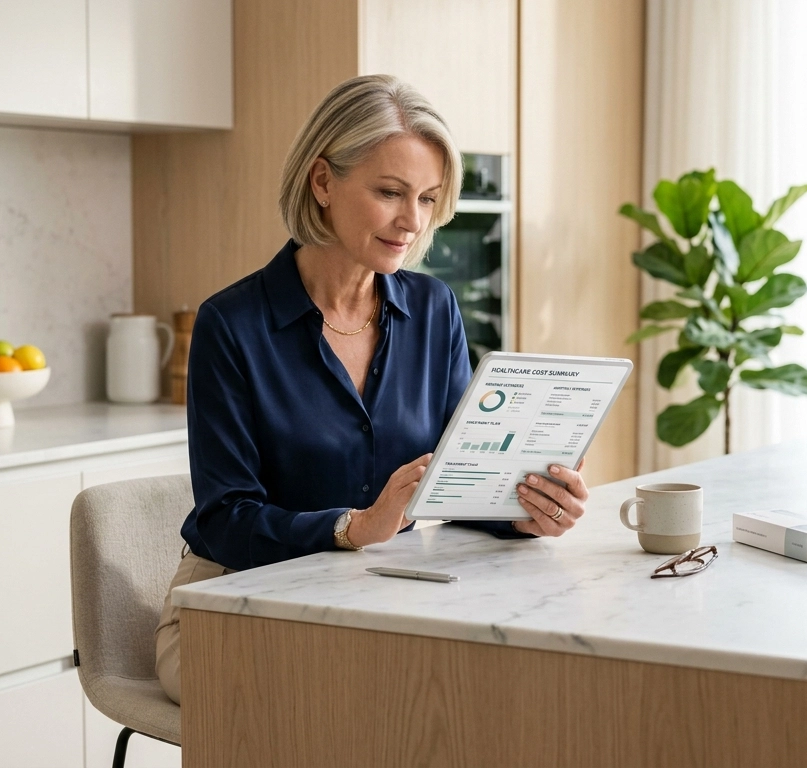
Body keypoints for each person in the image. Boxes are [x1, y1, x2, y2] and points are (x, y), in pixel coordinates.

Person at [154, 74, 590, 703]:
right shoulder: (232, 323)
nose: (412, 221)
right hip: (235, 603)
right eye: (390, 192)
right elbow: (225, 520)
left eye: (428, 198)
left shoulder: (434, 307)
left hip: (382, 595)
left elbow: (461, 477)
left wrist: (526, 508)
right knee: (361, 704)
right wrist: (352, 528)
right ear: (323, 181)